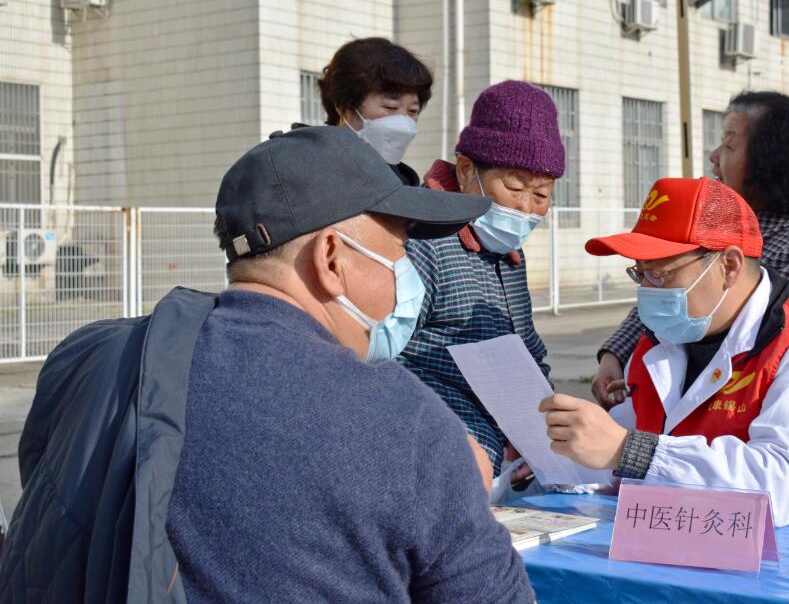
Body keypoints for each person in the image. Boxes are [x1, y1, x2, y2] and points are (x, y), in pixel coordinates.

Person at [0, 127, 536, 604]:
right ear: (331, 259)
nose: (406, 280)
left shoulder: (90, 355)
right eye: (398, 254)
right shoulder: (403, 418)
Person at [540, 177, 789, 527]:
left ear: (729, 266)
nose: (647, 291)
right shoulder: (659, 344)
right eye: (641, 273)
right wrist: (559, 454)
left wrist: (629, 452)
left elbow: (779, 486)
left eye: (661, 274)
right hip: (675, 552)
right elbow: (616, 446)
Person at [593, 91, 789, 409]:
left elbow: (763, 355)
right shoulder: (720, 226)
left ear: (770, 160)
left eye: (729, 144)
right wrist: (616, 354)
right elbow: (665, 286)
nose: (714, 156)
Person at [398, 80, 564, 500]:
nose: (526, 207)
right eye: (514, 187)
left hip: (508, 459)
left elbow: (527, 352)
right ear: (468, 170)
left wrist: (542, 428)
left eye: (541, 193)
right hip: (440, 465)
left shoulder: (506, 250)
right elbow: (385, 361)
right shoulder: (420, 242)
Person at [294, 37, 433, 186]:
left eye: (412, 111)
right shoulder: (295, 165)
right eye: (390, 107)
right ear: (345, 107)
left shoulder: (405, 182)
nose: (404, 122)